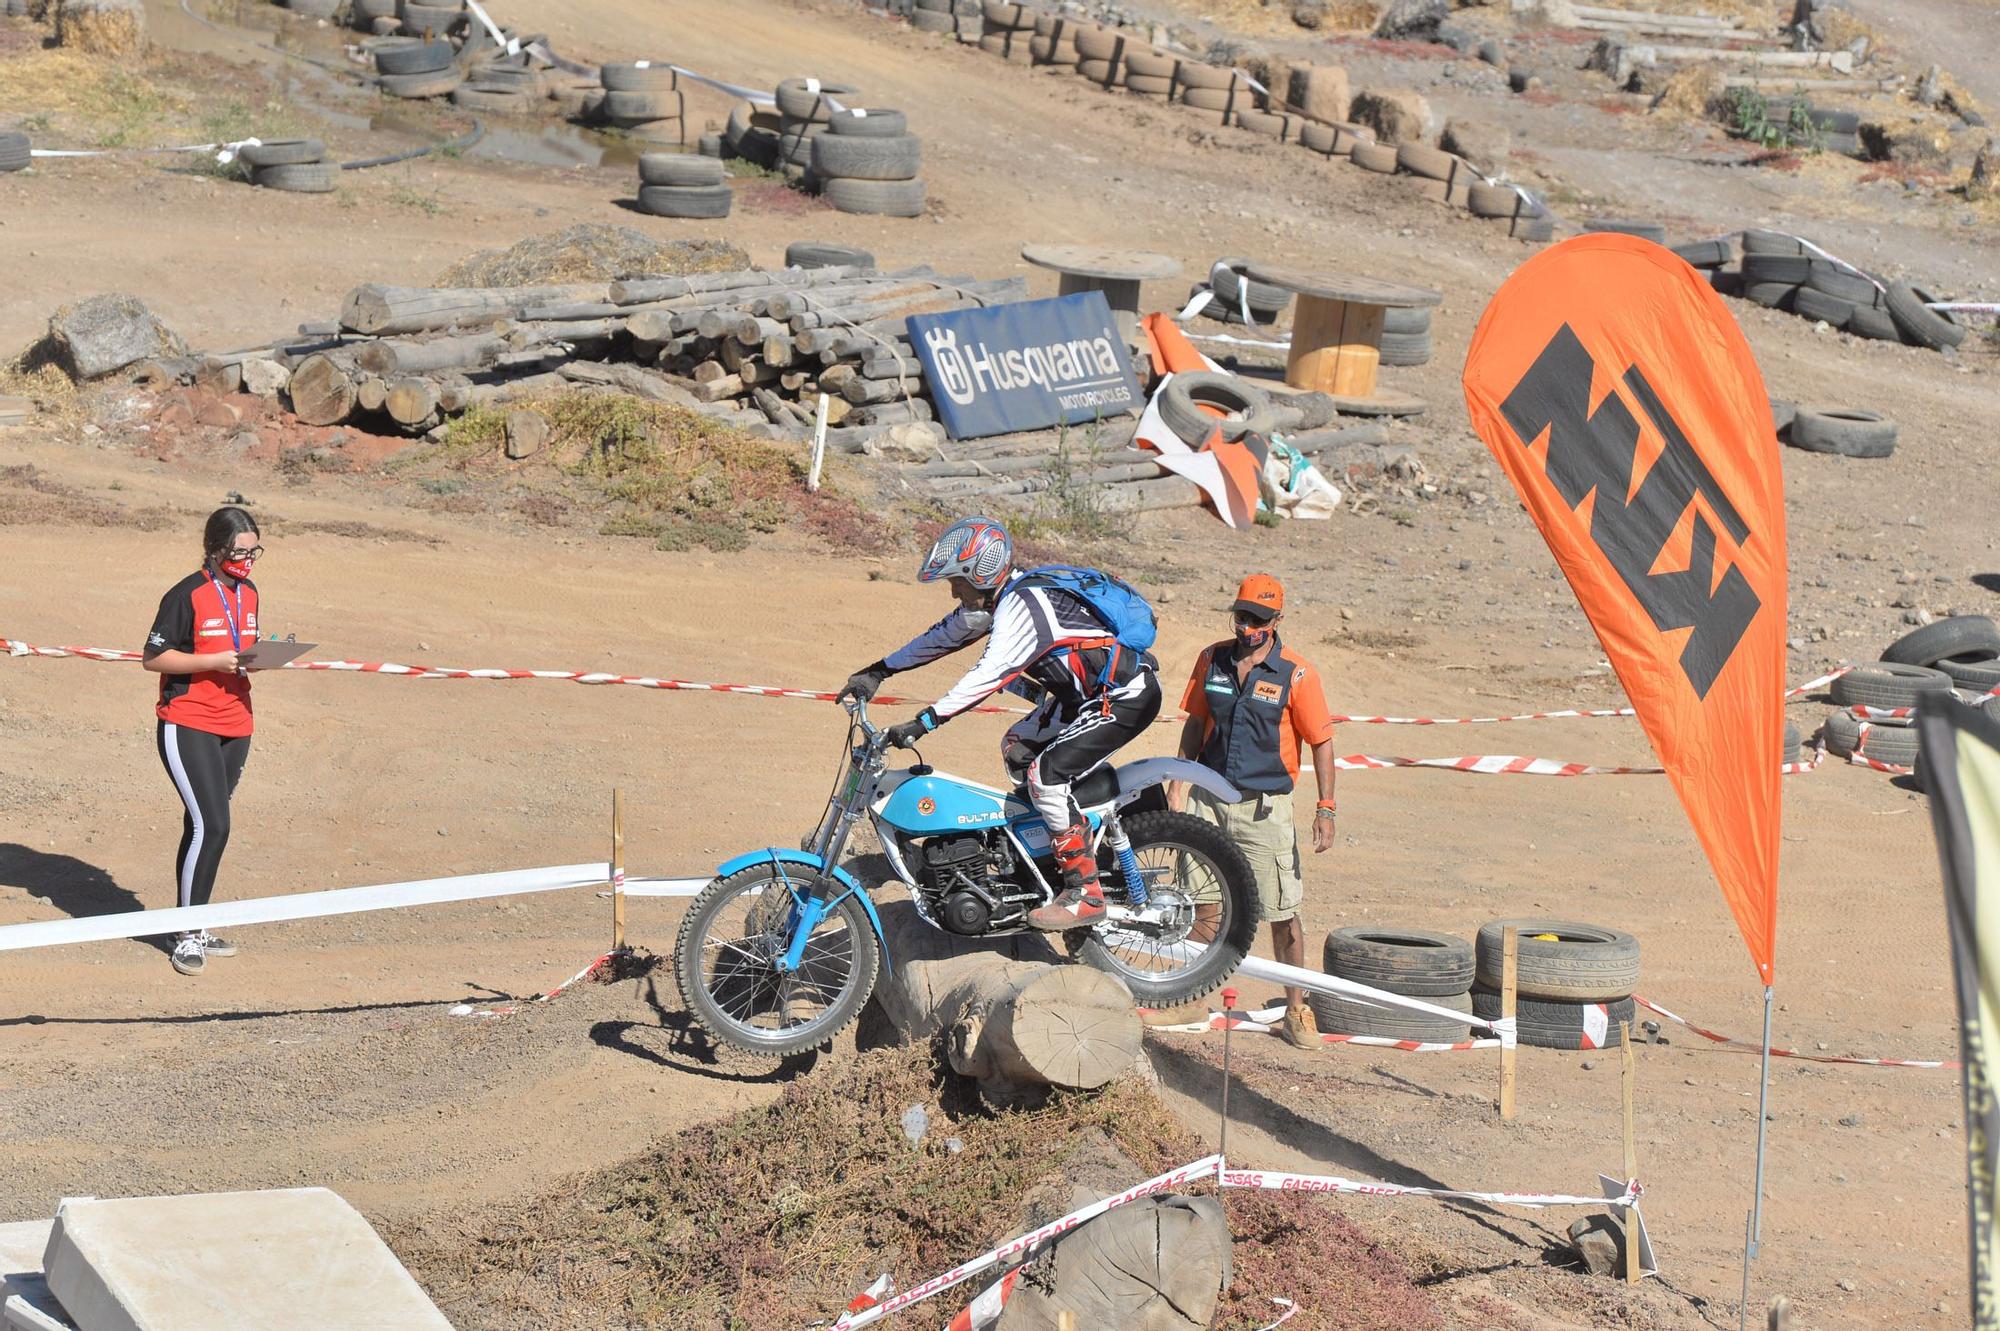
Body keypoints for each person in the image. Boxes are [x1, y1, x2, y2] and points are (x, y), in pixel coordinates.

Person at [838, 517, 1161, 931]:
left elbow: (988, 674)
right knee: (1017, 747)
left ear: (981, 573)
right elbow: (942, 637)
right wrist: (880, 670)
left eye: (957, 581)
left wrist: (924, 722)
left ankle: (1085, 892)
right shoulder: (998, 600)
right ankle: (1042, 859)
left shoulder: (1023, 607)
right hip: (1079, 699)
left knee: (1045, 776)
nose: (954, 591)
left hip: (1122, 697)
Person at [1169, 574, 1338, 1049]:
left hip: (1265, 809)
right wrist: (1179, 780)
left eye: (1259, 621)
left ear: (1277, 621)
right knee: (1202, 902)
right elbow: (1195, 722)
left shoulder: (1296, 674)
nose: (1248, 628)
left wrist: (1326, 808)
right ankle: (1192, 998)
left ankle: (1297, 1009)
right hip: (1207, 797)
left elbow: (1322, 742)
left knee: (1281, 911)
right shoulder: (1212, 659)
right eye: (1242, 617)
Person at [142, 506, 265, 976]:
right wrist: (213, 661)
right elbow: (154, 659)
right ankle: (188, 934)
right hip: (188, 720)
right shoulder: (186, 594)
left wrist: (258, 657)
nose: (247, 561)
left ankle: (194, 920)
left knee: (205, 826)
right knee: (212, 825)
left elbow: (241, 646)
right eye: (239, 552)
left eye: (254, 552)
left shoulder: (249, 592)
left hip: (237, 722)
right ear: (214, 549)